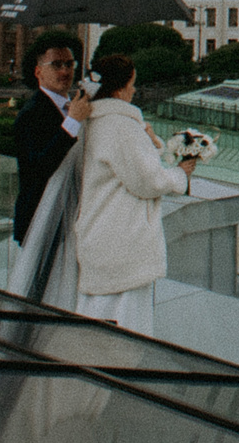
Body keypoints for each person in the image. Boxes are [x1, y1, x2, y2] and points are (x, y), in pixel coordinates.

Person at [71, 53, 197, 335]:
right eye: (132, 84)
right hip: (122, 241)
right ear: (120, 89)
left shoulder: (92, 122)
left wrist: (151, 144)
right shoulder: (121, 125)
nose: (135, 90)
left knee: (93, 322)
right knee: (126, 326)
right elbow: (148, 180)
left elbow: (121, 168)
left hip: (98, 234)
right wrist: (179, 175)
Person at [10, 31, 91, 243]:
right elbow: (38, 169)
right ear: (38, 72)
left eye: (69, 64)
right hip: (41, 224)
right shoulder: (30, 114)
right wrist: (72, 123)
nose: (65, 71)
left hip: (72, 219)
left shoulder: (76, 107)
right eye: (56, 65)